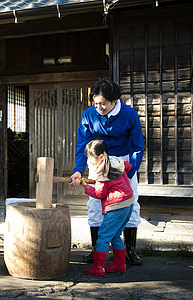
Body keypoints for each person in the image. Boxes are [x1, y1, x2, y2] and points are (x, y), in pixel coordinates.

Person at [71, 79, 144, 265]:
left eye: (103, 103)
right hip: (98, 161)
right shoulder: (88, 115)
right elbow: (82, 145)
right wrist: (79, 170)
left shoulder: (129, 115)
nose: (99, 107)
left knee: (130, 202)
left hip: (123, 162)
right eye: (95, 103)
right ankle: (97, 250)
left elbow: (137, 146)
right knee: (95, 203)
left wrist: (128, 174)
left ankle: (130, 250)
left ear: (114, 101)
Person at [77, 140, 134, 276]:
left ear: (101, 156)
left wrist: (85, 187)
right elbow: (128, 166)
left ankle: (98, 267)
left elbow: (99, 193)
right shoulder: (116, 161)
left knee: (102, 237)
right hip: (128, 204)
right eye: (88, 157)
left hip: (116, 207)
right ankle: (120, 265)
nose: (89, 161)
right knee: (115, 236)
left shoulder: (102, 171)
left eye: (91, 157)